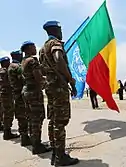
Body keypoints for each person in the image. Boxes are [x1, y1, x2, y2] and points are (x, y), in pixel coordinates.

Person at [42, 20, 79, 166]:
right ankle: (60, 157)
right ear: (56, 30)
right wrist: (69, 79)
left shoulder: (43, 48)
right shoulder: (55, 43)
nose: (61, 32)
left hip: (51, 87)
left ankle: (55, 153)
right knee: (60, 122)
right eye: (60, 29)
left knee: (53, 121)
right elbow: (58, 59)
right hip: (58, 88)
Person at [21, 41, 51, 154]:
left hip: (26, 91)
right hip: (34, 92)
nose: (35, 48)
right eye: (33, 47)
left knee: (31, 118)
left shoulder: (23, 61)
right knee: (37, 119)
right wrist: (48, 82)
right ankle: (37, 146)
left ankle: (35, 142)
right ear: (28, 48)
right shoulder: (32, 61)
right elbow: (38, 78)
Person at [8, 50, 31, 146]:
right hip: (20, 94)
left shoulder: (10, 66)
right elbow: (23, 78)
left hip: (16, 94)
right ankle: (25, 138)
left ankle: (24, 137)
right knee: (23, 116)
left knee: (20, 115)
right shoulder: (16, 67)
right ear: (17, 56)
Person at [0, 56, 20, 140]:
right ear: (4, 63)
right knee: (9, 113)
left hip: (3, 94)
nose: (9, 63)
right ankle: (7, 132)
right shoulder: (6, 72)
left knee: (4, 112)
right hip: (7, 94)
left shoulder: (1, 71)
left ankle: (5, 129)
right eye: (7, 62)